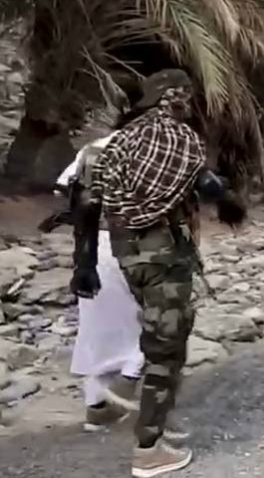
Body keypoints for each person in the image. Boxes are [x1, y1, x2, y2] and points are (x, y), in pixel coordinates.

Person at [72, 69, 246, 477]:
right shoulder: (177, 141)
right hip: (166, 260)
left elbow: (85, 207)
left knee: (137, 338)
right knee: (165, 350)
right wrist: (230, 203)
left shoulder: (106, 148)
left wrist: (83, 265)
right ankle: (149, 450)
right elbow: (210, 187)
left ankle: (127, 411)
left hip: (124, 258)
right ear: (178, 99)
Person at [48, 135, 145, 432]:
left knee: (98, 328)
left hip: (93, 247)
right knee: (163, 318)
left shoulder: (93, 147)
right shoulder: (159, 143)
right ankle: (127, 383)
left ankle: (97, 408)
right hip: (139, 243)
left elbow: (62, 190)